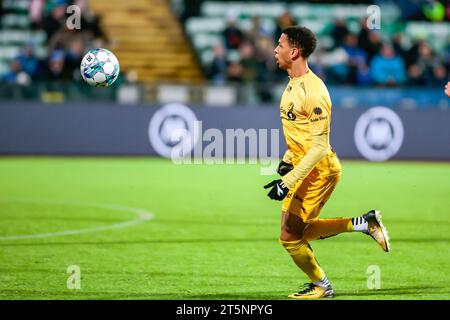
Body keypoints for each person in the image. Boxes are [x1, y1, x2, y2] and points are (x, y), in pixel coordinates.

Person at [264, 26, 390, 299]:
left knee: (289, 235)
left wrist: (288, 181)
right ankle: (363, 223)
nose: (275, 49)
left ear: (294, 51)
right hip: (305, 167)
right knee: (295, 230)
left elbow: (320, 147)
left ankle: (322, 286)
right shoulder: (291, 84)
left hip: (319, 171)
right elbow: (302, 135)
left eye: (280, 45)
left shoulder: (314, 91)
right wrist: (287, 160)